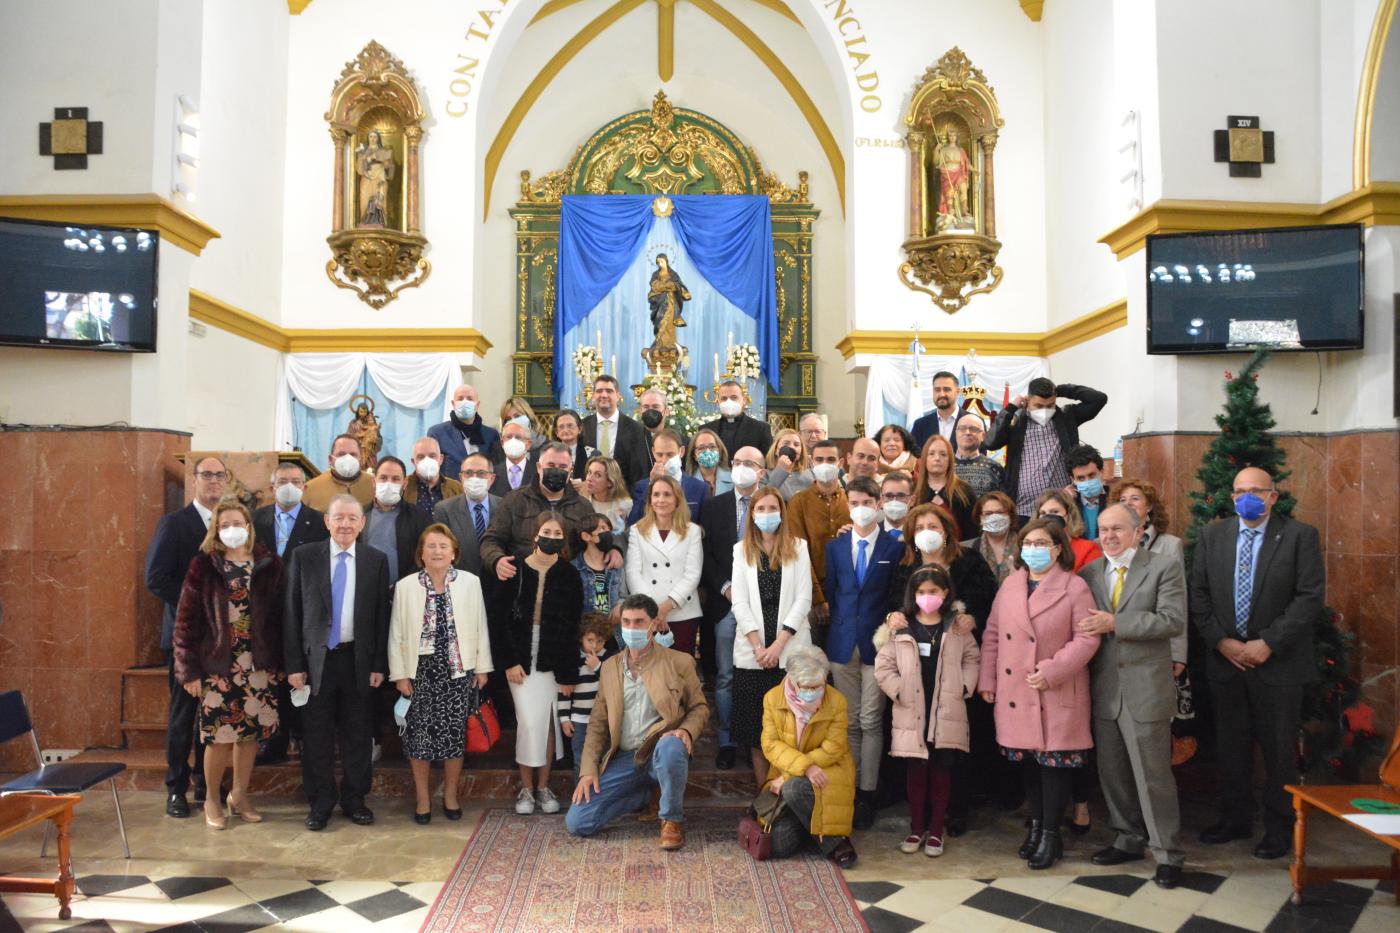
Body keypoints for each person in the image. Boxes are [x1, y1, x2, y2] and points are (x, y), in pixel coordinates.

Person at [1190, 467, 1324, 861]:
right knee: (1231, 746)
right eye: (1239, 491)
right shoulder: (1212, 536)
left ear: (1272, 497)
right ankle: (1235, 819)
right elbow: (1198, 594)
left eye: (1256, 491)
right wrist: (1221, 641)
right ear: (1231, 498)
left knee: (1279, 750)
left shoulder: (1299, 536)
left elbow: (1309, 597)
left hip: (1278, 665)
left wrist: (1269, 643)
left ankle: (1280, 828)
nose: (1247, 497)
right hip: (1226, 661)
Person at [977, 517, 1100, 870]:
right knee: (1029, 764)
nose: (1033, 550)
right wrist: (989, 680)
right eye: (1028, 543)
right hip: (1017, 689)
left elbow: (1088, 637)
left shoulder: (1073, 587)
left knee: (1053, 765)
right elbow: (993, 635)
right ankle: (1034, 827)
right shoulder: (1011, 585)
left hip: (1056, 689)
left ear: (1058, 548)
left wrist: (1053, 670)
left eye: (1042, 543)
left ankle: (1051, 834)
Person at [1078, 504, 1188, 888]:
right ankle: (1127, 839)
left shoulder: (1162, 567)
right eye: (1103, 530)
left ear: (1138, 530)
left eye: (1118, 529)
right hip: (1105, 689)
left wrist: (1116, 623)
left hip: (1145, 690)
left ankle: (1168, 853)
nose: (1109, 536)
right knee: (1114, 775)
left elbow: (1172, 620)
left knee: (1152, 777)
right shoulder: (1090, 572)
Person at [886, 502, 1000, 832]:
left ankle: (957, 810)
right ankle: (921, 815)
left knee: (955, 743)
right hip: (917, 670)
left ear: (947, 531)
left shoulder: (969, 562)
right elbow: (895, 605)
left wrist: (972, 618)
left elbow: (991, 603)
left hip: (955, 666)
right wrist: (892, 616)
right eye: (919, 528)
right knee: (920, 745)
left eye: (933, 527)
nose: (927, 534)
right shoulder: (906, 565)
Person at [567, 594, 710, 850]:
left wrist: (687, 731)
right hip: (626, 758)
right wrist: (588, 770)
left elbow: (699, 707)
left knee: (672, 746)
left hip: (660, 751)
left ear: (654, 624)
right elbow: (597, 724)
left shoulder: (678, 662)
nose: (632, 628)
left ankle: (671, 820)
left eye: (639, 622)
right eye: (627, 622)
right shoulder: (610, 667)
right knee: (578, 823)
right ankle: (644, 795)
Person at [173, 500, 284, 830]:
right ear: (216, 531)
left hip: (258, 665)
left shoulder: (269, 563)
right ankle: (211, 797)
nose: (232, 528)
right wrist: (188, 671)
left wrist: (281, 661)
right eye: (224, 524)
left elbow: (280, 618)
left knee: (249, 736)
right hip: (217, 667)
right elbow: (185, 622)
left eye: (238, 522)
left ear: (249, 527)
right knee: (219, 737)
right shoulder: (203, 566)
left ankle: (240, 793)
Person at [284, 494, 391, 831]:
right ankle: (320, 803)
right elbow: (291, 613)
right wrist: (294, 665)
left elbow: (380, 616)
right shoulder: (304, 557)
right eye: (338, 518)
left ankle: (355, 799)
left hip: (357, 660)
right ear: (327, 522)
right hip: (317, 663)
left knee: (358, 735)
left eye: (352, 518)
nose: (345, 524)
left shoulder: (376, 560)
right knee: (316, 736)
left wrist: (378, 665)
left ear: (362, 524)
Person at [388, 524, 492, 824]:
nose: (437, 552)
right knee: (418, 739)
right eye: (431, 546)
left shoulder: (470, 583)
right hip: (418, 672)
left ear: (454, 553)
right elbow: (396, 632)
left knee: (453, 738)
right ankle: (422, 799)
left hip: (457, 671)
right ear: (421, 553)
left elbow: (480, 625)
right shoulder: (406, 586)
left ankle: (450, 795)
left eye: (443, 546)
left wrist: (482, 666)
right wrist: (400, 675)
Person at [874, 565, 980, 857]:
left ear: (945, 593)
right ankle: (916, 828)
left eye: (933, 591)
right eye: (921, 592)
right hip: (911, 709)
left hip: (946, 707)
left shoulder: (956, 626)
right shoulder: (901, 626)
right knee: (916, 773)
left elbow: (972, 659)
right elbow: (884, 665)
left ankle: (936, 831)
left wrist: (964, 687)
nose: (927, 597)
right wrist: (898, 689)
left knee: (942, 771)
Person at [145, 455, 227, 818]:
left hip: (221, 642)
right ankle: (175, 787)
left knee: (212, 716)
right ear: (194, 481)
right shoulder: (175, 524)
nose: (213, 481)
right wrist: (197, 604)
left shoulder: (230, 525)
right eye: (206, 474)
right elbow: (156, 578)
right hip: (185, 639)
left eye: (219, 475)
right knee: (183, 715)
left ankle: (204, 784)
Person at [823, 476, 903, 830]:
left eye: (866, 502)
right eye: (853, 502)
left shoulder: (894, 547)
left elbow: (893, 595)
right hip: (842, 643)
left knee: (871, 720)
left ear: (878, 504)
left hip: (878, 643)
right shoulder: (835, 546)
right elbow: (833, 591)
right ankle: (851, 788)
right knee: (850, 721)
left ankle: (869, 791)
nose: (860, 508)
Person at [490, 514, 582, 815]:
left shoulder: (569, 574)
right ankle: (525, 788)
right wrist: (508, 661)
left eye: (557, 533)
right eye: (546, 531)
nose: (551, 536)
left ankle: (543, 788)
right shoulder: (513, 569)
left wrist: (569, 672)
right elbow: (499, 620)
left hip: (553, 658)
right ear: (534, 536)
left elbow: (572, 627)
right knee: (529, 722)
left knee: (550, 723)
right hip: (520, 657)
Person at [730, 487, 813, 786]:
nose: (767, 514)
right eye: (760, 509)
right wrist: (758, 647)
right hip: (754, 654)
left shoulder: (799, 547)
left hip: (789, 650)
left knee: (791, 731)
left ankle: (786, 796)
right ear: (752, 514)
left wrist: (777, 646)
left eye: (772, 508)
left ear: (782, 512)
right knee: (757, 734)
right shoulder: (741, 550)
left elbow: (804, 599)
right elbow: (738, 601)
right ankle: (765, 797)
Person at [251, 462, 328, 765]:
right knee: (272, 678)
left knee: (301, 675)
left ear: (305, 487)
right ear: (272, 488)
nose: (289, 486)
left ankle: (303, 737)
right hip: (264, 614)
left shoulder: (319, 523)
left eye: (295, 481)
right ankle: (274, 740)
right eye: (283, 481)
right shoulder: (254, 521)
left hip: (304, 612)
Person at [697, 445, 767, 769]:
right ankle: (726, 741)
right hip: (727, 605)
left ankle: (760, 738)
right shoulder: (714, 507)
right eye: (737, 462)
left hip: (763, 606)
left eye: (749, 463)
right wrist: (725, 588)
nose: (741, 467)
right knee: (725, 677)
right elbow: (707, 555)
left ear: (762, 471)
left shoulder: (773, 506)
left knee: (761, 674)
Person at [759, 646, 858, 867]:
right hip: (792, 772)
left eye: (818, 686)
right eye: (807, 687)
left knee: (793, 788)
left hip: (828, 770)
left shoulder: (837, 701)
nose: (813, 692)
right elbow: (770, 744)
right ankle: (813, 828)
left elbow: (833, 748)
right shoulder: (773, 699)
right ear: (792, 680)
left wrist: (790, 775)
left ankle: (835, 843)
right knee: (778, 845)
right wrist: (804, 768)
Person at [481, 442, 618, 582]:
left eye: (563, 467)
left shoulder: (583, 506)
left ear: (571, 471)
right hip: (522, 583)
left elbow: (596, 538)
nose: (557, 471)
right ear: (539, 467)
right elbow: (492, 539)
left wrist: (613, 549)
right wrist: (497, 560)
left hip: (567, 584)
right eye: (551, 465)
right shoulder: (515, 500)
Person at [986, 378, 1107, 522]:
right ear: (1027, 401)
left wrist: (1061, 390)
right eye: (1038, 406)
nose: (1045, 410)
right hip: (1024, 510)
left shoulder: (1066, 417)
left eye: (1050, 405)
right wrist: (1011, 407)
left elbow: (1099, 399)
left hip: (1062, 507)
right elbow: (990, 442)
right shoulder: (1017, 422)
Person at [625, 475, 704, 656]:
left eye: (667, 495)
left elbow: (692, 574)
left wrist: (665, 609)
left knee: (680, 671)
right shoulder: (637, 530)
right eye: (656, 495)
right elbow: (632, 573)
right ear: (650, 499)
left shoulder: (692, 531)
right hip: (645, 614)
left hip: (682, 612)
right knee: (648, 670)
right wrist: (653, 610)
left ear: (677, 499)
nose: (661, 500)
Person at [1117, 479, 1188, 677]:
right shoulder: (1109, 543)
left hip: (1156, 643)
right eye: (1122, 499)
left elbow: (1178, 602)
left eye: (1135, 498)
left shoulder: (1169, 545)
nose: (1127, 503)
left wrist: (1178, 654)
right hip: (1119, 645)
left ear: (1149, 506)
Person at [786, 439, 851, 649]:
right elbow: (799, 551)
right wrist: (817, 599)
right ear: (812, 463)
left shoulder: (852, 500)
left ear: (841, 463)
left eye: (831, 459)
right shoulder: (799, 502)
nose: (825, 464)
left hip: (849, 592)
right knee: (814, 655)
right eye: (820, 459)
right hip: (812, 592)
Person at [556, 614, 617, 775]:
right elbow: (564, 691)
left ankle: (602, 798)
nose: (595, 646)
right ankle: (581, 798)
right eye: (590, 640)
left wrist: (598, 667)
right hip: (579, 721)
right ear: (581, 638)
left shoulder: (610, 659)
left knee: (603, 760)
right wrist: (564, 719)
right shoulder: (572, 659)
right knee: (580, 761)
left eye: (600, 641)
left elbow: (614, 685)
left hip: (603, 719)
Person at [361, 457, 431, 585]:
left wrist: (403, 586)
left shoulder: (419, 517)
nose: (389, 483)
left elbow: (424, 556)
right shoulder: (359, 515)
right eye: (383, 478)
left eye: (395, 479)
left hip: (406, 591)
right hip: (366, 590)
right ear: (374, 481)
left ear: (404, 483)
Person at [434, 452, 502, 577]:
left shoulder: (504, 507)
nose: (474, 478)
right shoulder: (444, 510)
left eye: (481, 473)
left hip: (498, 586)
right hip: (460, 585)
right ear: (461, 478)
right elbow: (441, 554)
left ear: (491, 478)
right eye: (469, 473)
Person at [580, 375, 649, 490]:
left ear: (618, 396)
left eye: (609, 391)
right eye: (599, 391)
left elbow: (639, 470)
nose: (603, 395)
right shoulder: (582, 427)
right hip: (588, 496)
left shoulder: (636, 429)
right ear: (593, 396)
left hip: (624, 495)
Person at [626, 429, 709, 524]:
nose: (664, 460)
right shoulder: (642, 487)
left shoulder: (700, 488)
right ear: (653, 452)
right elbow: (634, 522)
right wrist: (651, 486)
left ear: (681, 452)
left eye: (670, 455)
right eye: (659, 455)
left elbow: (705, 527)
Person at [428, 384, 501, 480]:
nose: (465, 402)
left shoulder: (491, 435)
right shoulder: (438, 433)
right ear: (453, 404)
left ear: (477, 405)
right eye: (460, 398)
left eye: (470, 399)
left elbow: (496, 469)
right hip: (451, 492)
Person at [913, 434, 976, 539]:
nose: (937, 458)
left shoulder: (965, 491)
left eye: (943, 454)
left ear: (950, 460)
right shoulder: (913, 490)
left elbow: (972, 532)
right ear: (924, 459)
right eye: (931, 454)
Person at [700, 380, 773, 459]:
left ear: (744, 400)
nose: (729, 402)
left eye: (734, 397)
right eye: (724, 398)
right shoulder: (706, 429)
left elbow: (768, 461)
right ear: (718, 402)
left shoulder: (760, 429)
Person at [1033, 490, 1103, 571]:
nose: (1048, 517)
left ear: (1069, 515)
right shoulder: (1032, 549)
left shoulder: (1088, 549)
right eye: (1043, 513)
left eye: (1055, 512)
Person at [575, 512, 626, 623]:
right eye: (602, 528)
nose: (607, 532)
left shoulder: (616, 565)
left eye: (608, 529)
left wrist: (621, 607)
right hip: (585, 633)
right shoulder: (574, 568)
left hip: (613, 632)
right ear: (586, 536)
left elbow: (624, 595)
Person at [303, 434, 375, 510]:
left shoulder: (374, 484)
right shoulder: (311, 489)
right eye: (341, 454)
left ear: (361, 459)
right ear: (330, 459)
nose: (348, 459)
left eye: (353, 454)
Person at [964, 491, 1020, 584]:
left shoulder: (1025, 547)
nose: (994, 517)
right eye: (988, 513)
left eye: (1000, 512)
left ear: (1010, 515)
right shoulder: (966, 549)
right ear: (980, 518)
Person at [404, 436, 462, 519]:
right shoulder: (404, 487)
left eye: (432, 456)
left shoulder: (456, 488)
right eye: (421, 457)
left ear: (441, 459)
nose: (427, 461)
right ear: (413, 462)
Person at [952, 413, 1006, 499]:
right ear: (956, 434)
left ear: (983, 436)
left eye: (973, 429)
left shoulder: (995, 468)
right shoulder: (945, 466)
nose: (967, 432)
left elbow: (1002, 502)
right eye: (962, 428)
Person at [910, 371, 962, 452]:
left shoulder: (972, 422)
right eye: (937, 390)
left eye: (947, 389)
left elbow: (980, 456)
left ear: (957, 392)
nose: (941, 394)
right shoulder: (920, 425)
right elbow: (914, 457)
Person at [1066, 444, 1109, 541]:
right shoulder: (1068, 504)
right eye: (1081, 478)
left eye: (1091, 475)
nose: (1087, 481)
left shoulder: (1115, 499)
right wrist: (1064, 501)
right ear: (1073, 479)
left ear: (1101, 472)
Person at [583, 455, 632, 535]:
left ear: (610, 482)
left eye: (597, 475)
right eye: (589, 472)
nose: (589, 479)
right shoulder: (581, 502)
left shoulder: (626, 505)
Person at [637, 389, 688, 463]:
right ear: (641, 411)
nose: (650, 411)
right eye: (646, 407)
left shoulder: (683, 442)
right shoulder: (630, 442)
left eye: (655, 407)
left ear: (666, 411)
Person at [491, 420, 538, 497]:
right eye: (509, 437)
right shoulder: (492, 473)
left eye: (518, 437)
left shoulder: (538, 473)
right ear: (502, 443)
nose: (513, 441)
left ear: (528, 444)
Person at [764, 428, 813, 499]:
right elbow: (763, 498)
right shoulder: (765, 475)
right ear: (776, 450)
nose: (792, 447)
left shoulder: (811, 474)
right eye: (786, 443)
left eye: (796, 444)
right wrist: (780, 471)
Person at [550, 408, 594, 482]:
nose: (566, 430)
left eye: (570, 426)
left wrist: (585, 485)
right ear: (556, 432)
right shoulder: (548, 454)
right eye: (561, 427)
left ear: (580, 428)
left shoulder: (593, 454)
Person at [685, 428, 731, 497]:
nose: (708, 451)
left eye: (712, 446)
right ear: (694, 455)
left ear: (719, 450)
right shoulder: (685, 483)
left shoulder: (733, 478)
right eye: (701, 448)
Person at [879, 471, 914, 540]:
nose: (894, 501)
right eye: (889, 496)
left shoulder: (918, 533)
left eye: (901, 496)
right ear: (881, 500)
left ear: (912, 500)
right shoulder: (871, 533)